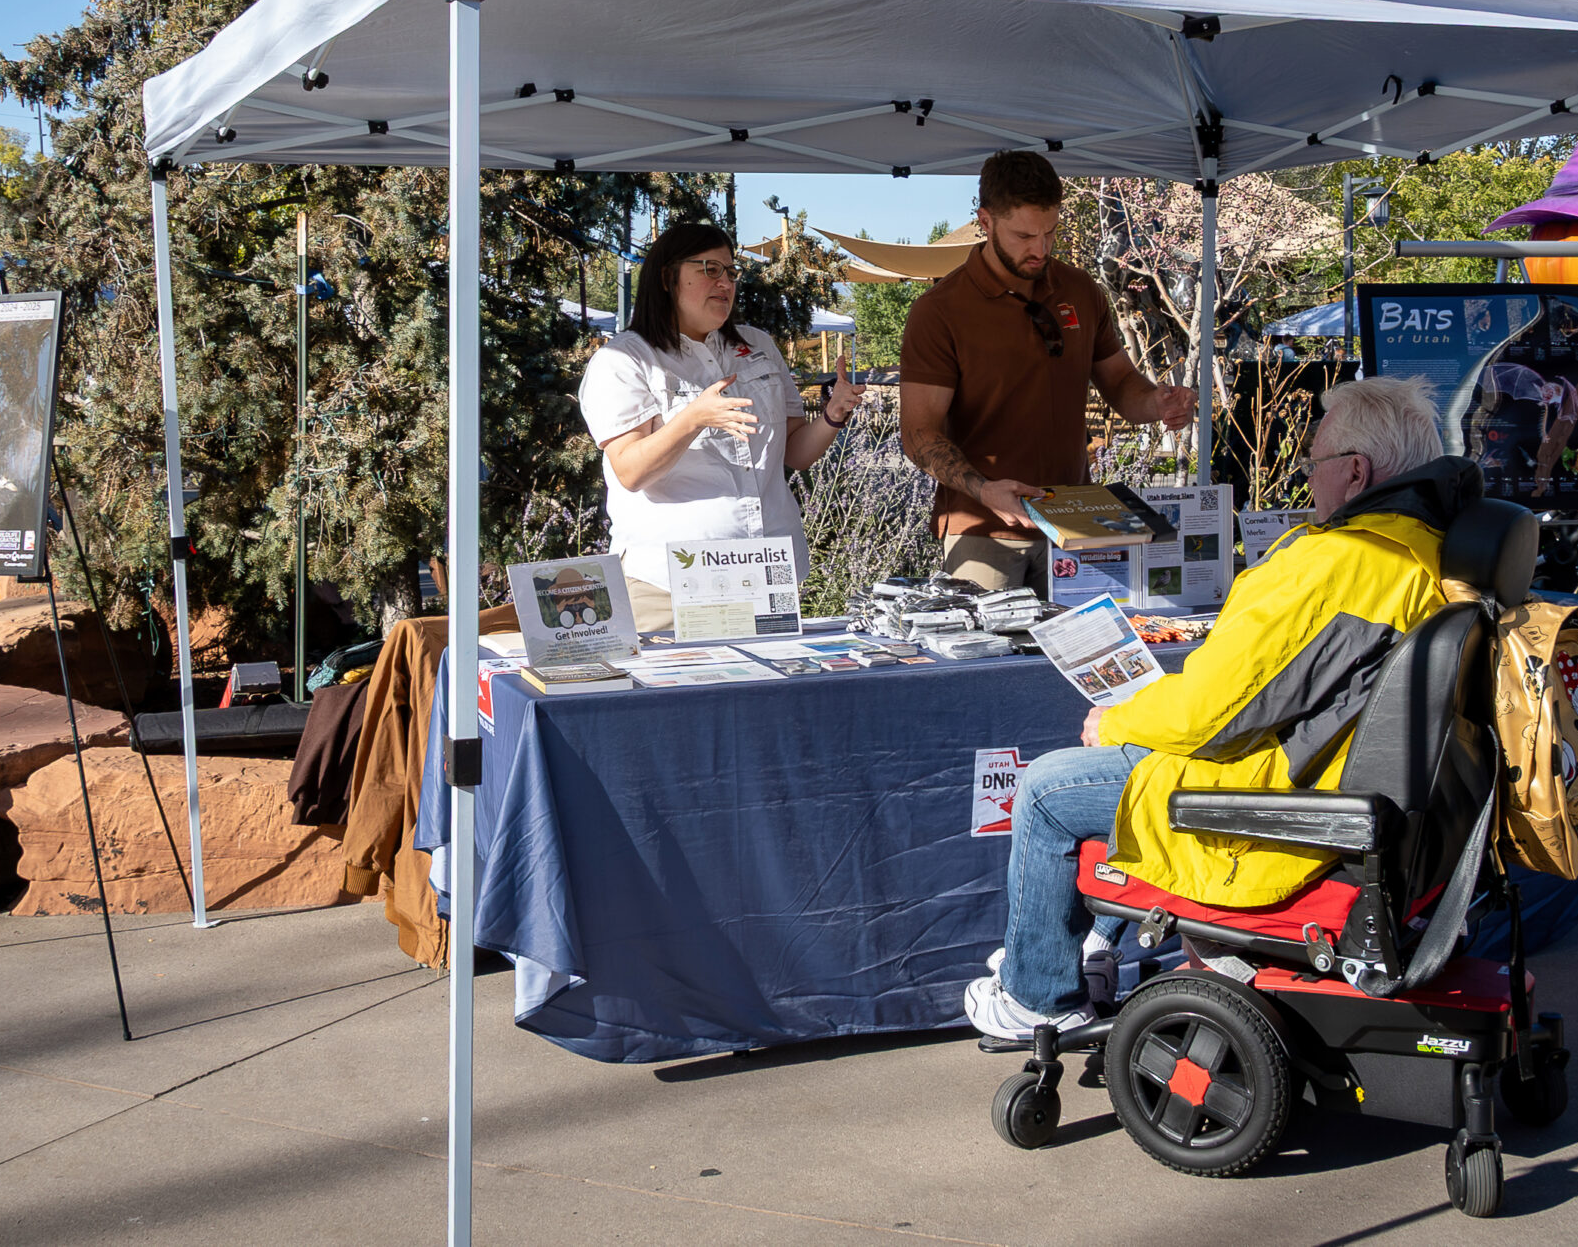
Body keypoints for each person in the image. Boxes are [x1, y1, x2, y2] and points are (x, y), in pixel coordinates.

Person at [962, 377, 1481, 1037]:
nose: (1307, 481)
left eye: (1313, 464)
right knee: (1128, 762)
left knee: (1047, 787)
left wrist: (1115, 720)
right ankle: (1091, 946)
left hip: (1279, 802)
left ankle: (1039, 998)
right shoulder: (1422, 551)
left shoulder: (1339, 561)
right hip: (1346, 792)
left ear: (1356, 472)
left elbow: (1209, 714)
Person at [900, 151, 1194, 594]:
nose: (1040, 248)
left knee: (1090, 655)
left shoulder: (1081, 290)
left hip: (1076, 525)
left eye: (1050, 232)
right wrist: (984, 490)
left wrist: (1157, 402)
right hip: (983, 530)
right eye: (1023, 235)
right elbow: (918, 434)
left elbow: (1118, 382)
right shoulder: (940, 310)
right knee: (988, 660)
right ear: (985, 221)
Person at [578, 220, 862, 632]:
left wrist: (834, 414)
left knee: (766, 693)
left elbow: (796, 453)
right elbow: (630, 470)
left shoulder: (758, 345)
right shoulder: (624, 360)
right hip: (668, 584)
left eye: (731, 272)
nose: (725, 283)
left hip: (766, 572)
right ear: (666, 277)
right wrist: (693, 418)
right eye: (709, 270)